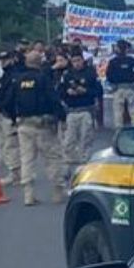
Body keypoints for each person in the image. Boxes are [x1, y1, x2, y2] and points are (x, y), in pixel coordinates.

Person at [0, 47, 65, 204]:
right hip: (44, 125)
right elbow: (54, 100)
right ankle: (57, 191)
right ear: (40, 63)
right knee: (52, 157)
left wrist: (14, 119)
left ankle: (28, 195)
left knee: (27, 159)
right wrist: (62, 117)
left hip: (24, 125)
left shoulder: (18, 80)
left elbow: (9, 102)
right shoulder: (43, 79)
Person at [58, 47, 103, 188]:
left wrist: (85, 91)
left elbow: (98, 91)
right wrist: (68, 92)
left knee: (85, 140)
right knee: (69, 142)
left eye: (78, 60)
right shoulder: (67, 75)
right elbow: (60, 92)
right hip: (72, 111)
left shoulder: (90, 73)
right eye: (73, 61)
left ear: (83, 60)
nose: (76, 63)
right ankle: (68, 170)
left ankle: (85, 169)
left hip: (86, 110)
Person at [103, 40, 134, 127]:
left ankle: (119, 132)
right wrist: (132, 75)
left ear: (117, 48)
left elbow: (108, 76)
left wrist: (116, 79)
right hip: (131, 88)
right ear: (127, 49)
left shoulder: (113, 61)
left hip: (118, 89)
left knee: (118, 112)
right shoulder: (131, 60)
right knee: (133, 111)